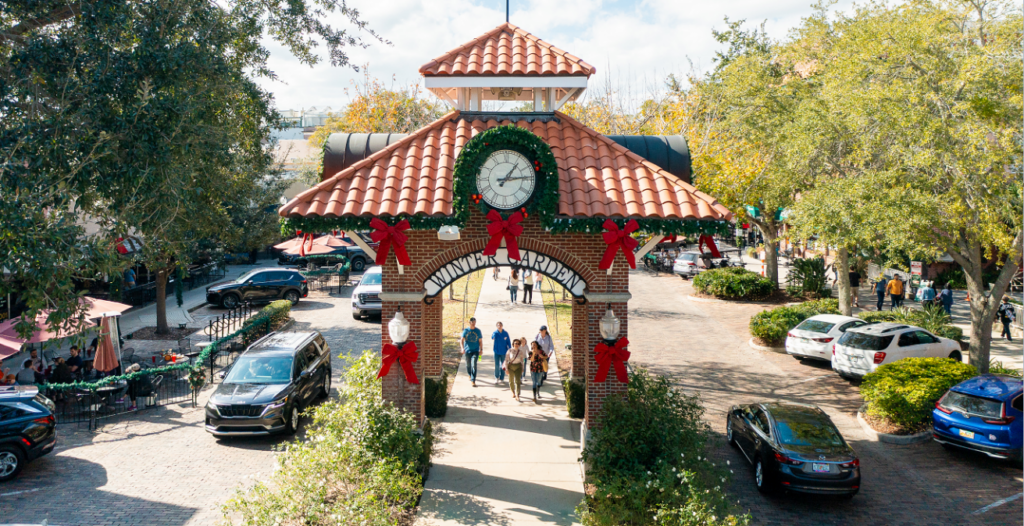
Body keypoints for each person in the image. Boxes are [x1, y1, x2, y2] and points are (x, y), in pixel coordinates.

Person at [460, 317, 483, 387]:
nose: (474, 324)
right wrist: (462, 348)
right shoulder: (466, 330)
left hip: (475, 350)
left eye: (475, 323)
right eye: (472, 323)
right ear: (470, 322)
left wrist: (481, 350)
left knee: (474, 365)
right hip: (467, 350)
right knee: (468, 365)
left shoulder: (478, 331)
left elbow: (480, 341)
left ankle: (473, 380)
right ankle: (469, 374)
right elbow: (461, 340)